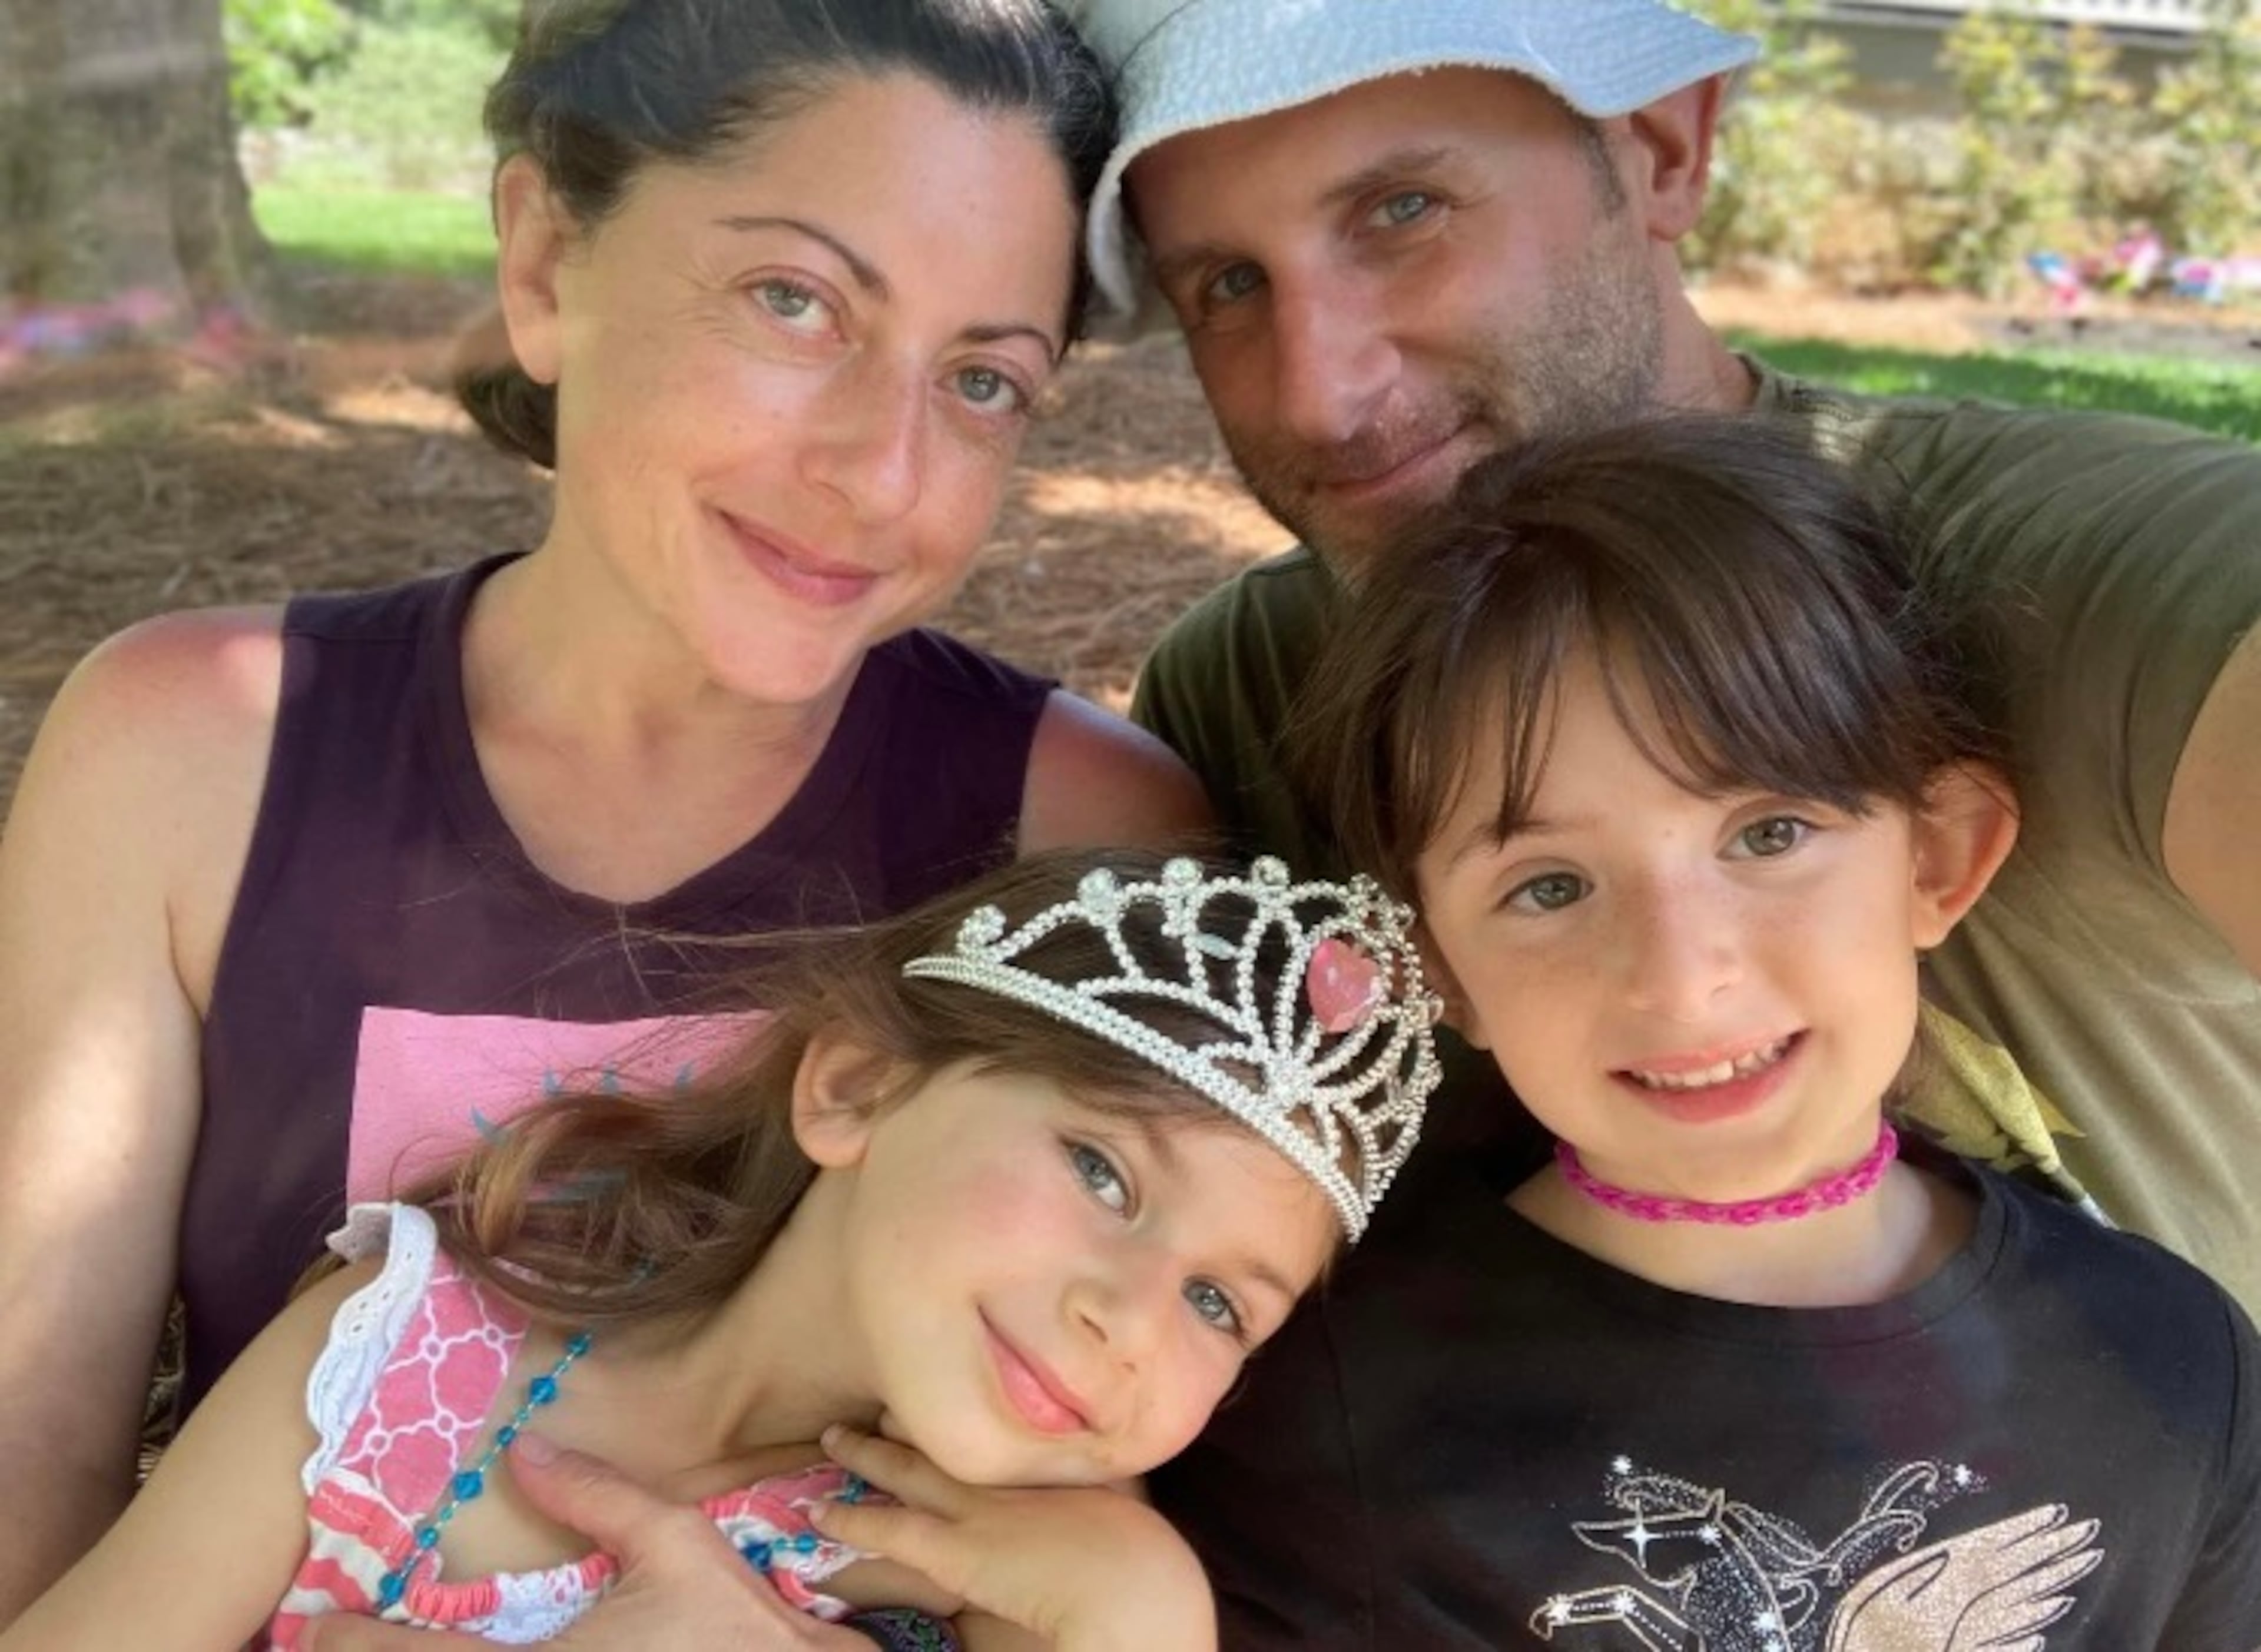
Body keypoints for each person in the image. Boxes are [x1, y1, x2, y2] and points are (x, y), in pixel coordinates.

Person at [0, 0, 1214, 1624]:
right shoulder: (189, 758)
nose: (885, 471)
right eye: (794, 301)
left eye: (987, 379)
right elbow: (34, 1461)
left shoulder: (1081, 837)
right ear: (542, 260)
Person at [1062, 0, 2261, 1313]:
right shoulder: (1247, 694)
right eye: (1228, 284)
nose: (1319, 394)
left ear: (1662, 150)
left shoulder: (2096, 573)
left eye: (1402, 210)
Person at [1156, 416, 2261, 1648]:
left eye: (1769, 833)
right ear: (1437, 962)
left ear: (1939, 856)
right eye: (1553, 886)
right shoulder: (1319, 1412)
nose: (1684, 982)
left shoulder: (2173, 1363)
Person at [0, 847, 1444, 1651]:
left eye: (1217, 1300)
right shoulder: (395, 1368)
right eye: (1101, 1168)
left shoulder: (1032, 1578)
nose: (1132, 1316)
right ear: (857, 1085)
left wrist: (1144, 1611)